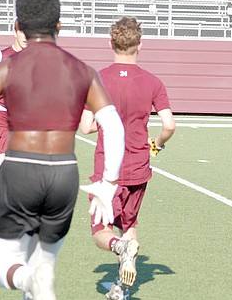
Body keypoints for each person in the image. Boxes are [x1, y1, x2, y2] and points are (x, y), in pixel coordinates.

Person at [0, 0, 125, 300]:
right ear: (59, 26)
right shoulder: (83, 70)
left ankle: (26, 278)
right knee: (42, 269)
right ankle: (35, 279)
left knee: (3, 266)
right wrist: (108, 183)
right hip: (64, 175)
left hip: (20, 170)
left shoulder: (7, 66)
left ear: (18, 25)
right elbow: (113, 126)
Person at [79, 16, 175, 298]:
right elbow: (169, 125)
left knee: (101, 230)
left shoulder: (97, 80)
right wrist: (155, 144)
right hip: (138, 167)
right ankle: (120, 289)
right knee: (129, 225)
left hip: (108, 170)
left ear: (110, 43)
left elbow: (85, 127)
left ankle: (119, 247)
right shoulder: (152, 81)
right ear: (140, 45)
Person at [0, 26, 28, 174]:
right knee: (3, 154)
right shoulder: (1, 56)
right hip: (4, 114)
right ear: (15, 32)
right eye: (22, 32)